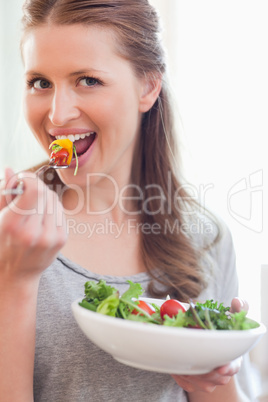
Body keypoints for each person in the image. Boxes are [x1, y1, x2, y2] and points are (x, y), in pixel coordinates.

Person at [0, 0, 255, 401]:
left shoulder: (205, 237)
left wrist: (217, 361)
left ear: (148, 87)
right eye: (40, 83)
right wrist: (13, 279)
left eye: (87, 80)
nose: (58, 114)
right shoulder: (9, 231)